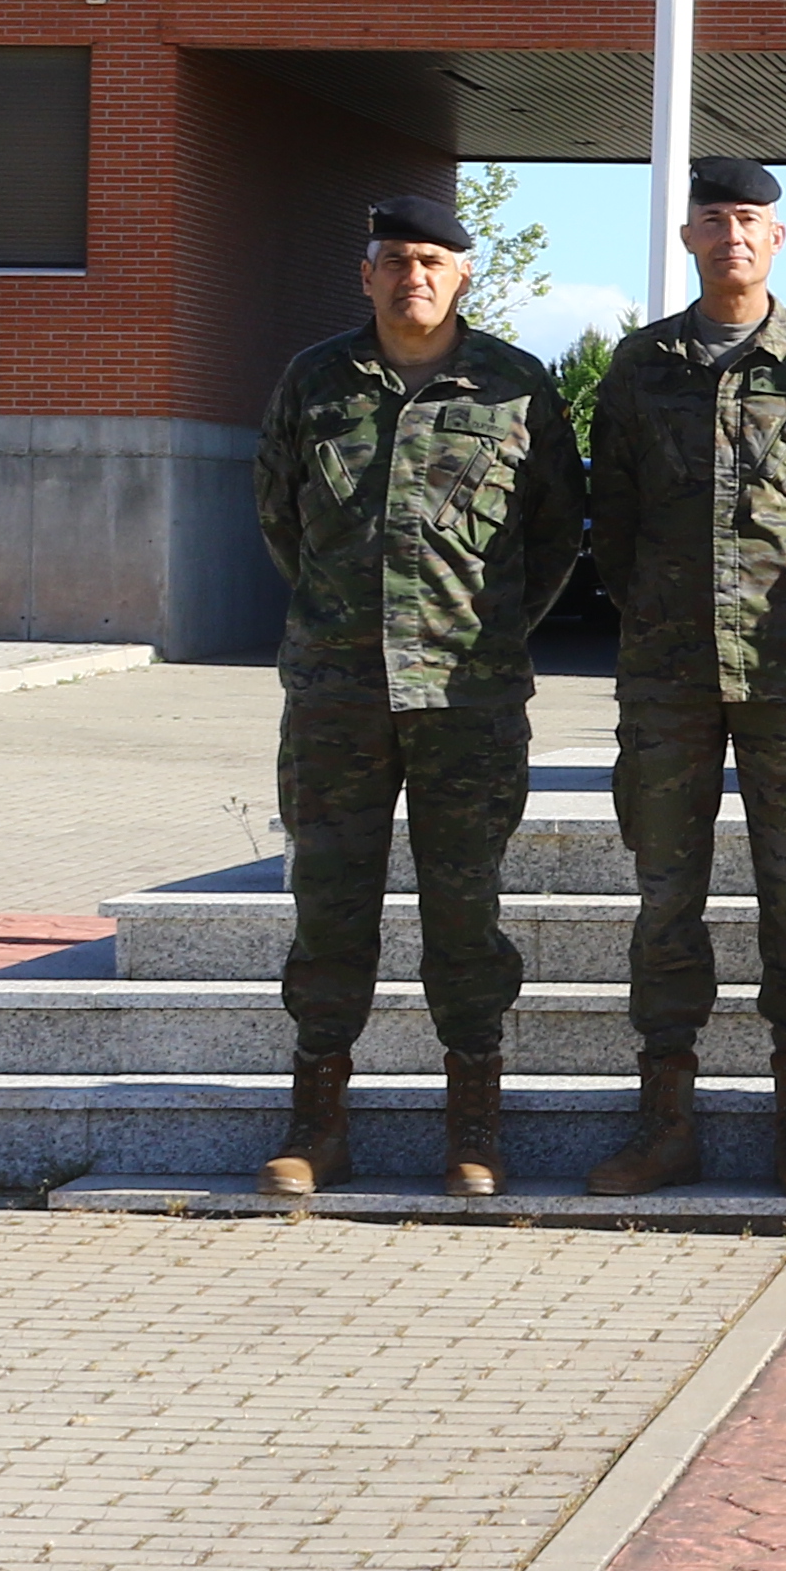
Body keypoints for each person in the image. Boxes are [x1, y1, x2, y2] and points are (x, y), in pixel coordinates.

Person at [247, 190, 585, 1202]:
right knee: (329, 905)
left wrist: (479, 639)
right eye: (395, 258)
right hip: (336, 695)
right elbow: (280, 517)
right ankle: (317, 1125)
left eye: (433, 259)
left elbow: (555, 536)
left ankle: (473, 1128)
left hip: (468, 702)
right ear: (368, 273)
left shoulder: (515, 387)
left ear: (464, 272)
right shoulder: (316, 382)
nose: (414, 276)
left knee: (465, 912)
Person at [580, 154, 786, 1201]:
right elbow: (611, 525)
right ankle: (664, 1122)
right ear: (688, 240)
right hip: (667, 679)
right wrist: (665, 615)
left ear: (779, 238)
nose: (733, 237)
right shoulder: (639, 366)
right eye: (714, 220)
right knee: (665, 900)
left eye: (750, 220)